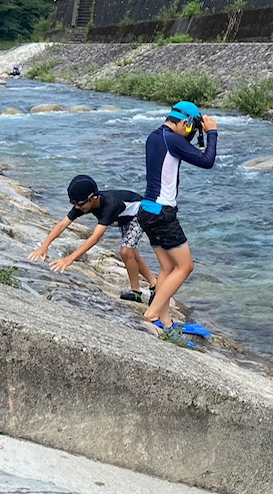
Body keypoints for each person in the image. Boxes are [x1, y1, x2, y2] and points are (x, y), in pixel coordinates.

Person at [137, 101, 217, 328]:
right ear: (185, 123)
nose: (189, 135)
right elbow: (206, 161)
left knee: (167, 267)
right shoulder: (172, 140)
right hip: (162, 213)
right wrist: (211, 133)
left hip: (147, 210)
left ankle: (165, 321)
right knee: (185, 267)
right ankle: (152, 314)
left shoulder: (155, 136)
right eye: (190, 129)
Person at [28, 174, 156, 303]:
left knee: (126, 252)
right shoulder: (83, 204)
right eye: (74, 204)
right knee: (131, 254)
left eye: (81, 204)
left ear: (93, 198)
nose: (78, 208)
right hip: (122, 217)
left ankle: (136, 291)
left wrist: (70, 259)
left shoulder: (109, 205)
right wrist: (44, 247)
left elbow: (95, 237)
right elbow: (62, 225)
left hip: (140, 213)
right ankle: (151, 286)